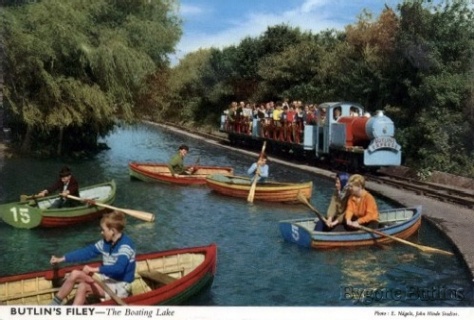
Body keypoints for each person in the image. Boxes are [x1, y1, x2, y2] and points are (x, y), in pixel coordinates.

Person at [49, 210, 136, 305]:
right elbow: (86, 252)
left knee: (83, 286)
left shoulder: (125, 246)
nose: (101, 233)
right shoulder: (105, 243)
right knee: (75, 274)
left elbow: (119, 268)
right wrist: (62, 259)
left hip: (120, 286)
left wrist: (94, 269)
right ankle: (54, 305)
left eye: (103, 230)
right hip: (106, 279)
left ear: (112, 231)